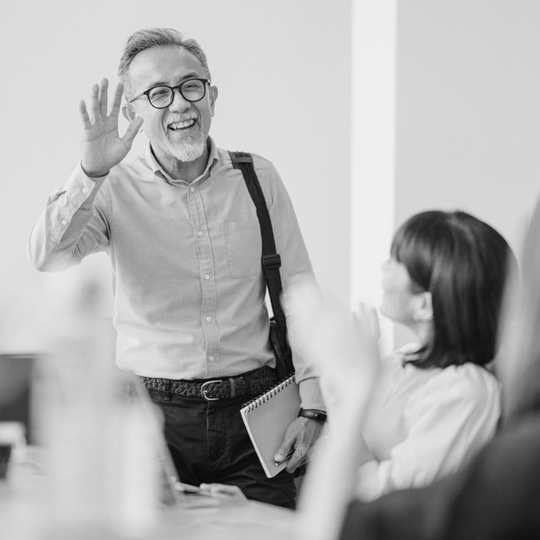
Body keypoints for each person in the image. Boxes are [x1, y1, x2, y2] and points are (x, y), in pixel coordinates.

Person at [26, 27, 324, 508]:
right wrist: (90, 172)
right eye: (158, 94)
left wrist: (315, 408)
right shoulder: (112, 188)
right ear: (133, 113)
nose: (180, 104)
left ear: (213, 95)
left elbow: (300, 293)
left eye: (191, 86)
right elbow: (48, 255)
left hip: (256, 414)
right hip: (150, 420)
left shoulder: (257, 177)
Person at [285, 209, 515, 540]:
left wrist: (347, 390)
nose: (384, 267)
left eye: (397, 260)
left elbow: (389, 501)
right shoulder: (400, 361)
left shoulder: (466, 391)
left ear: (425, 305)